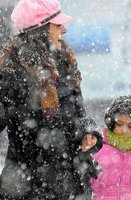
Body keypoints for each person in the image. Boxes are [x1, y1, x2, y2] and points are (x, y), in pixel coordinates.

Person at [0, 0, 102, 199]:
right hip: (29, 185)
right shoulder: (12, 70)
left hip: (71, 183)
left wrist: (88, 133)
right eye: (57, 25)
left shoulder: (65, 61)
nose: (64, 30)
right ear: (40, 30)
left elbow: (79, 113)